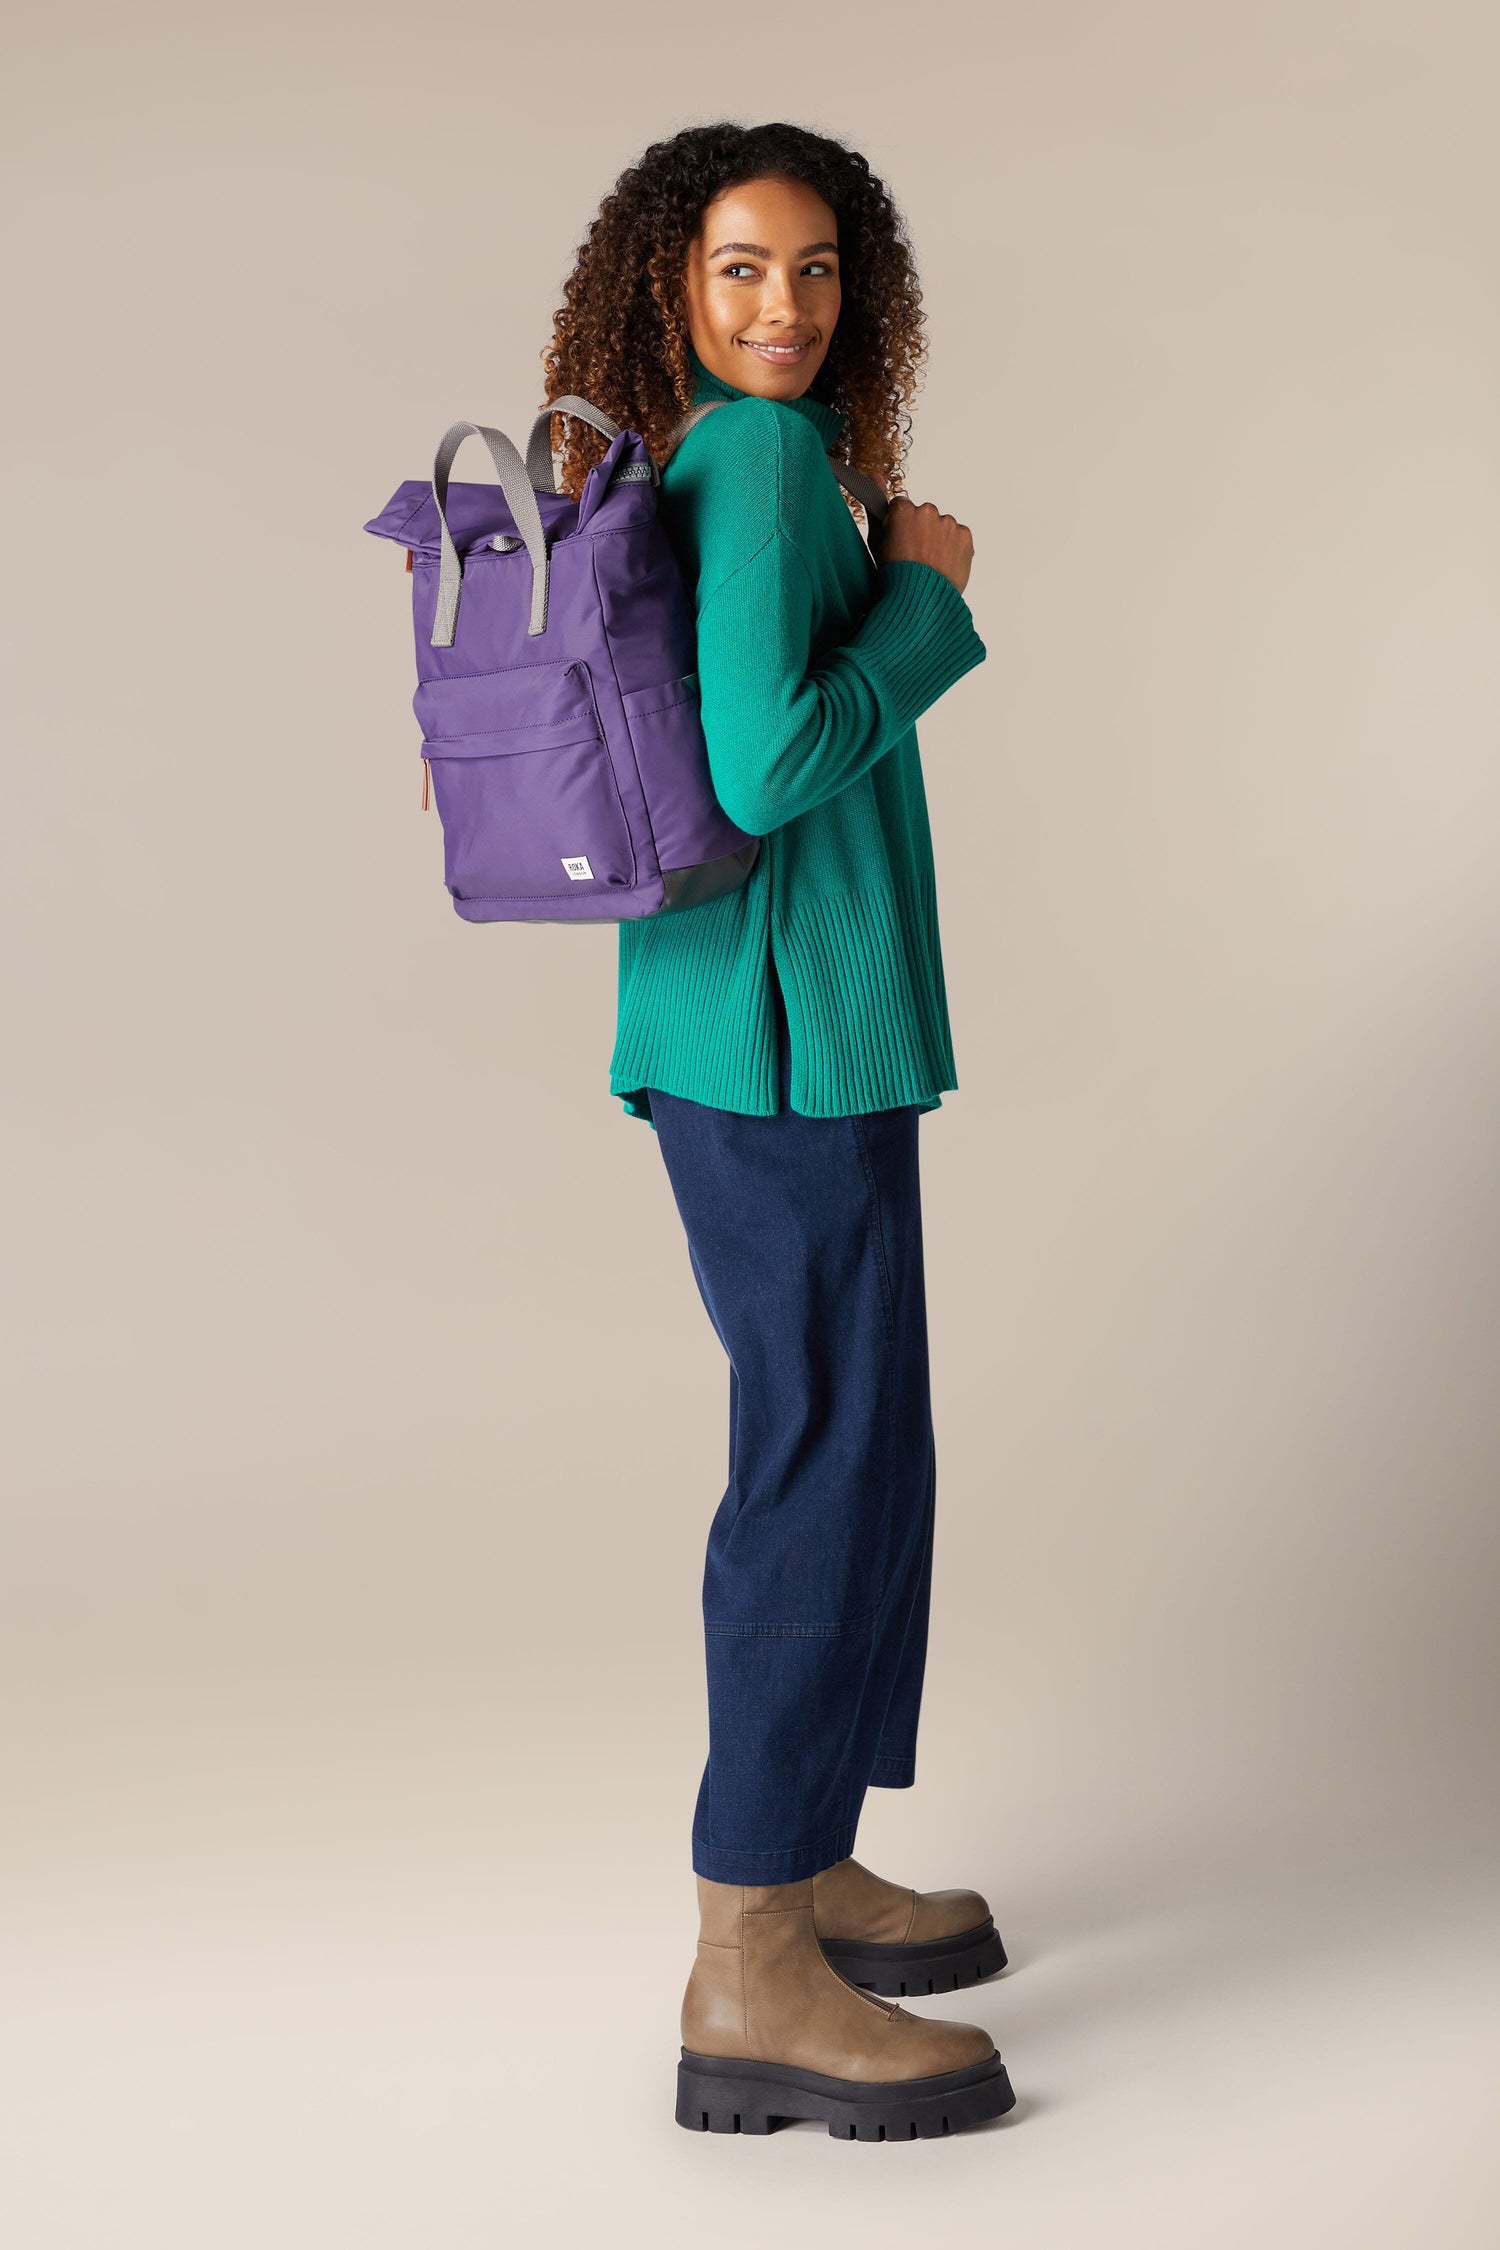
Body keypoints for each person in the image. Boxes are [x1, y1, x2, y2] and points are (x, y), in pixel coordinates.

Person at [541, 121, 1014, 2141]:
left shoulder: (737, 457)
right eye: (743, 267)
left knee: (854, 1441)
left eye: (816, 271)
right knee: (822, 1462)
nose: (783, 307)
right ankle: (749, 1962)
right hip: (779, 1045)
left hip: (776, 1032)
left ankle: (809, 1872)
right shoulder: (747, 463)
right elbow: (774, 750)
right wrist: (927, 598)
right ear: (672, 283)